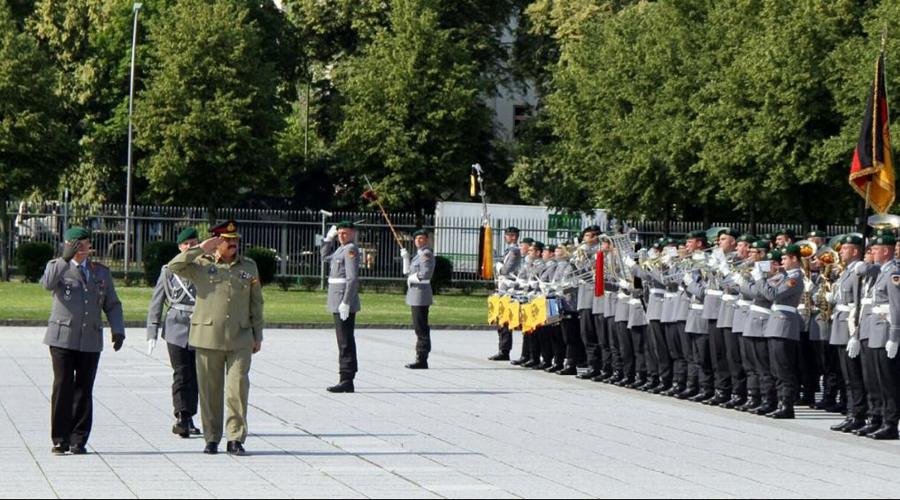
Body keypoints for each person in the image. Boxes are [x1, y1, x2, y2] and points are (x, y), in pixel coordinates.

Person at [167, 221, 264, 455]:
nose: (233, 244)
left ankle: (235, 438)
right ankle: (211, 438)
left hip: (240, 337)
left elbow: (256, 302)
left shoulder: (248, 266)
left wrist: (257, 334)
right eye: (228, 240)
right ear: (217, 242)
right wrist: (201, 247)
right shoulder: (200, 264)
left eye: (235, 240)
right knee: (210, 391)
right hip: (207, 337)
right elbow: (173, 266)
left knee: (237, 389)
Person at [42, 227, 125, 455]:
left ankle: (79, 438)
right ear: (68, 244)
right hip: (63, 337)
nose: (84, 248)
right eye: (78, 244)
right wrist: (65, 258)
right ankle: (60, 438)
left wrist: (118, 329)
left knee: (84, 388)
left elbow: (112, 303)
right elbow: (47, 284)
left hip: (90, 337)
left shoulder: (100, 272)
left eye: (86, 243)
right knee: (63, 386)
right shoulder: (58, 267)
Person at [147, 227, 202, 438]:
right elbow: (157, 301)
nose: (190, 247)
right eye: (186, 244)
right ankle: (181, 416)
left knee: (196, 375)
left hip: (200, 326)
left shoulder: (205, 267)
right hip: (176, 326)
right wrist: (152, 331)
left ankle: (190, 416)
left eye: (193, 243)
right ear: (180, 247)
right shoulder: (169, 270)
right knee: (181, 373)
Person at [321, 220, 362, 393]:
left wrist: (346, 301)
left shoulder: (350, 250)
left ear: (352, 233)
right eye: (339, 233)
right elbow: (324, 257)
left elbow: (352, 278)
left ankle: (346, 378)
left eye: (344, 233)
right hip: (337, 299)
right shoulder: (341, 249)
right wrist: (328, 238)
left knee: (345, 341)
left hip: (343, 300)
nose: (341, 236)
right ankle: (346, 377)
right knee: (343, 340)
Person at [401, 230, 436, 369]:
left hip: (421, 294)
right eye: (416, 239)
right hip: (415, 294)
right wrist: (405, 258)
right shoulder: (419, 255)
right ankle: (420, 356)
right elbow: (408, 272)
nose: (418, 241)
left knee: (421, 327)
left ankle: (422, 357)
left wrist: (411, 278)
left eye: (421, 238)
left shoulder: (426, 254)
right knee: (418, 326)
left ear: (427, 240)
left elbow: (425, 274)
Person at [490, 227, 522, 361]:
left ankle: (505, 350)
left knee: (505, 321)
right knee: (501, 320)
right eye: (506, 235)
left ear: (514, 237)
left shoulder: (514, 251)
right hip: (502, 289)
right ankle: (502, 348)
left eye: (508, 235)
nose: (506, 237)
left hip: (509, 289)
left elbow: (506, 270)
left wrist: (497, 265)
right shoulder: (509, 251)